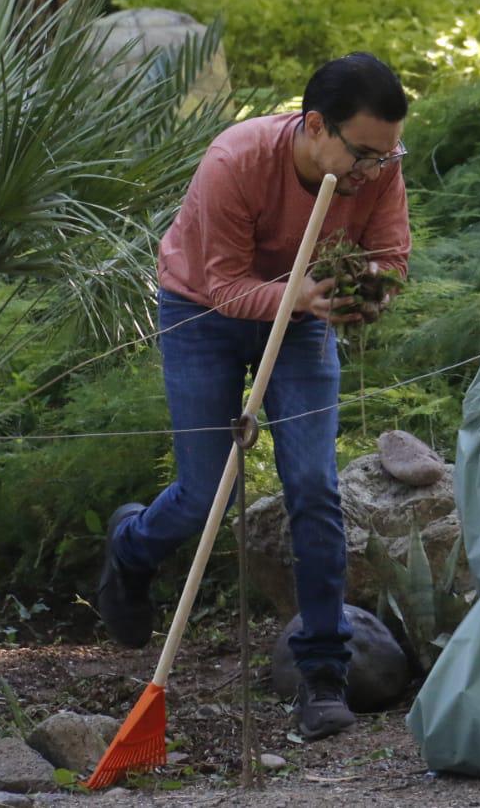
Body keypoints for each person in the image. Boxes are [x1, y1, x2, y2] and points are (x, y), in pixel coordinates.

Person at [96, 52, 412, 741]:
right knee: (208, 491)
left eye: (386, 156)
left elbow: (391, 252)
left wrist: (372, 288)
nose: (372, 170)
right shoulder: (234, 162)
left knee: (312, 484)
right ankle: (132, 547)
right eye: (361, 154)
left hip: (301, 324)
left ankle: (322, 672)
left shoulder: (378, 166)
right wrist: (293, 292)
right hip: (201, 313)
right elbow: (225, 286)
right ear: (314, 127)